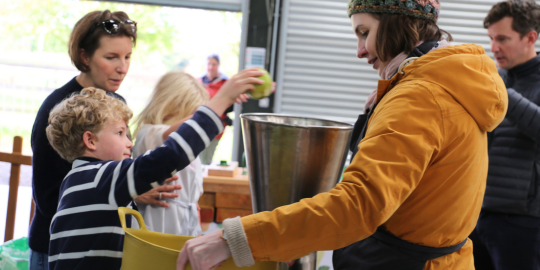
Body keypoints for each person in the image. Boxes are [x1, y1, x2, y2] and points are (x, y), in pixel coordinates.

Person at [176, 0, 509, 269]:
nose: (360, 51)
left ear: (398, 22)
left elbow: (359, 205)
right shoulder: (450, 84)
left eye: (364, 32)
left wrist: (235, 239)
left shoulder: (420, 96)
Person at [45, 68, 262, 269]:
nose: (130, 143)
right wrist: (223, 99)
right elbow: (169, 156)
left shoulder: (74, 182)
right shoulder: (103, 177)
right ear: (90, 140)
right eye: (120, 133)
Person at [28, 10, 179, 270]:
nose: (123, 67)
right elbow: (47, 196)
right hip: (57, 250)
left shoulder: (116, 103)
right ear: (85, 56)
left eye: (127, 57)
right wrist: (125, 189)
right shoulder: (57, 108)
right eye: (111, 57)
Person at [471, 1, 540, 269]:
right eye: (491, 39)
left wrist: (502, 93)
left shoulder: (497, 84)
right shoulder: (496, 79)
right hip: (478, 214)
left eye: (502, 39)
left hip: (524, 223)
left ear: (530, 37)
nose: (493, 48)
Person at [131, 71, 209, 236]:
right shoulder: (149, 133)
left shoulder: (186, 147)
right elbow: (174, 133)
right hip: (159, 220)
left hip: (186, 224)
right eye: (192, 112)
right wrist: (213, 108)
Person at [199, 54, 232, 164]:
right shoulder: (199, 82)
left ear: (218, 65)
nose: (211, 67)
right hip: (198, 125)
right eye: (209, 64)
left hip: (216, 126)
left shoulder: (225, 83)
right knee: (196, 158)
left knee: (206, 159)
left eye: (214, 64)